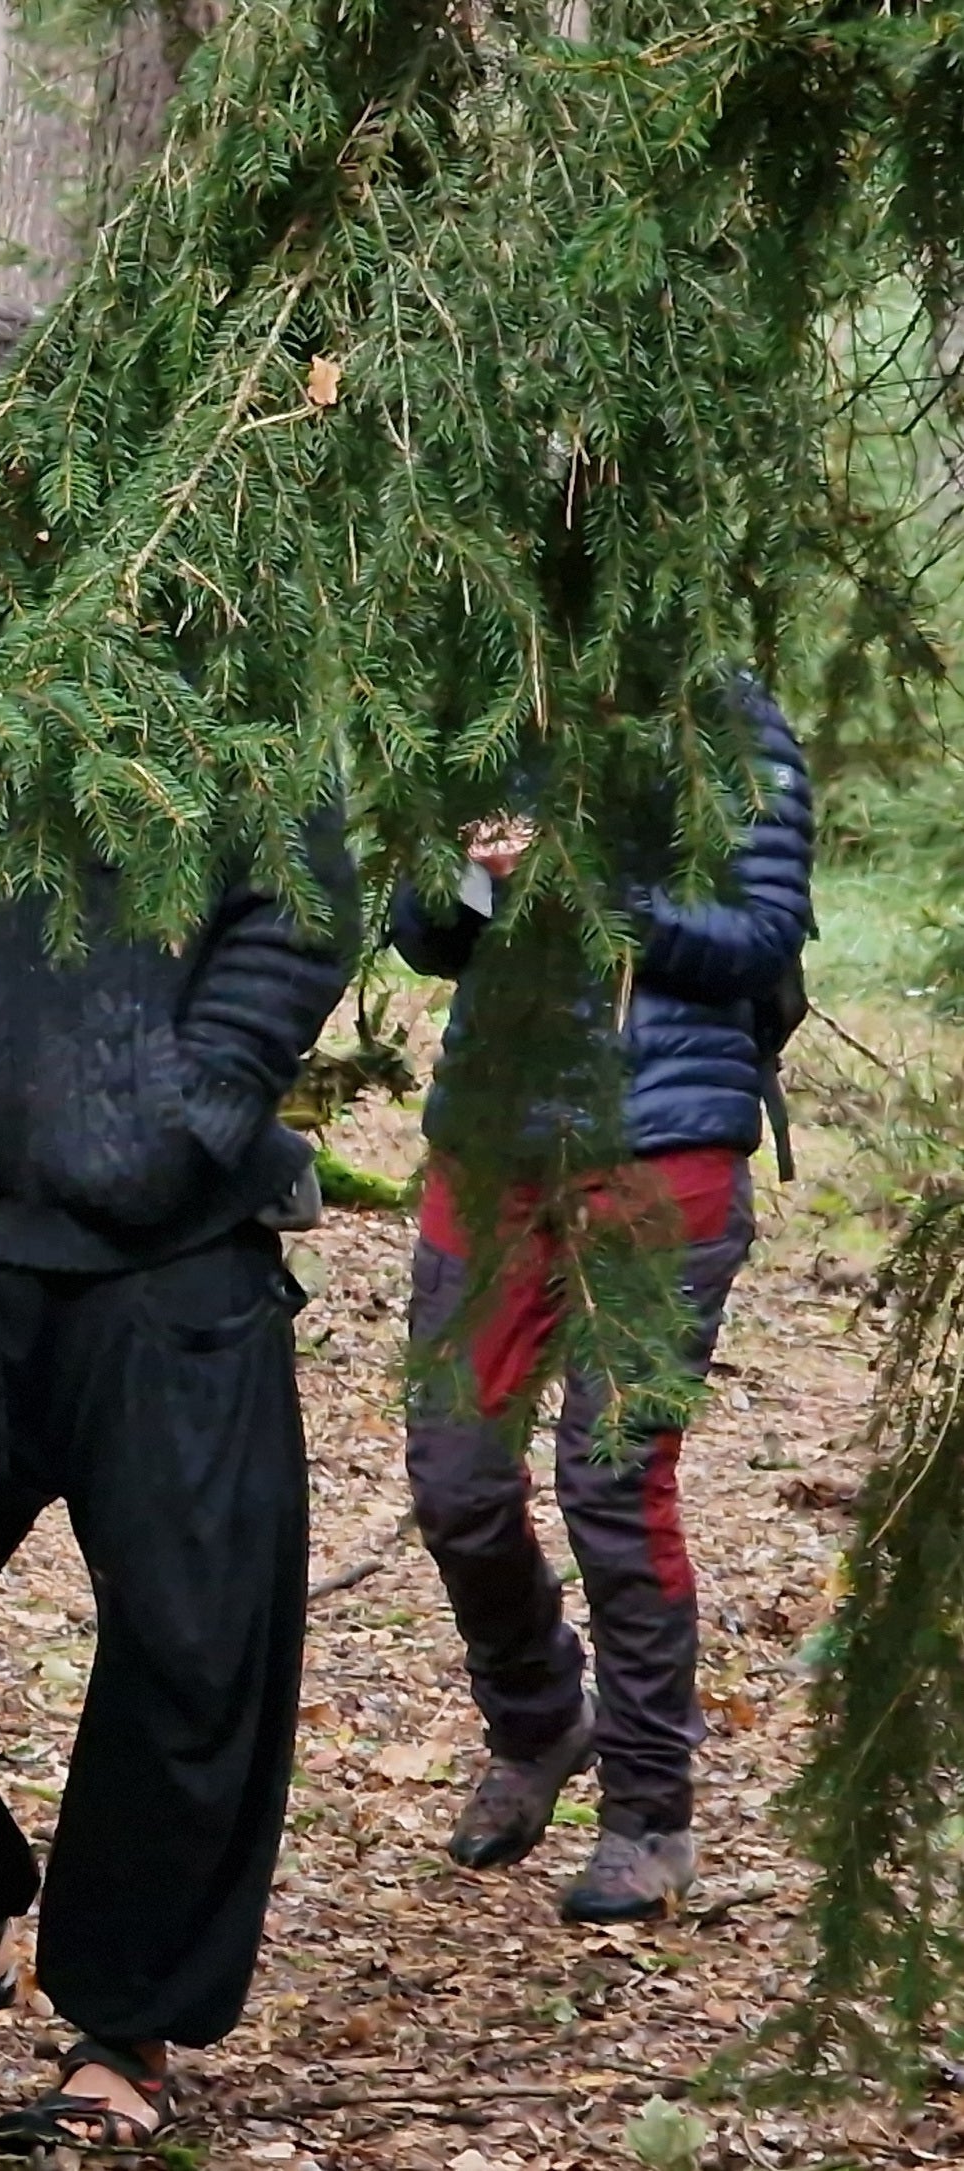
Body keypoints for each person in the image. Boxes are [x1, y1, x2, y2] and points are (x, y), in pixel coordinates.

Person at [0, 294, 353, 2155]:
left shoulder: (215, 646)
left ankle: (121, 2023)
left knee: (189, 1641)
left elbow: (301, 892)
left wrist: (191, 1109)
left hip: (165, 1256)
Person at [388, 683, 814, 1923]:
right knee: (453, 1478)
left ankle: (648, 1810)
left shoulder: (728, 724)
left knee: (613, 1483)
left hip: (661, 1140)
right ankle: (536, 1719)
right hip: (490, 1141)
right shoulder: (495, 701)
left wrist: (581, 883)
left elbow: (758, 935)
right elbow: (422, 933)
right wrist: (470, 877)